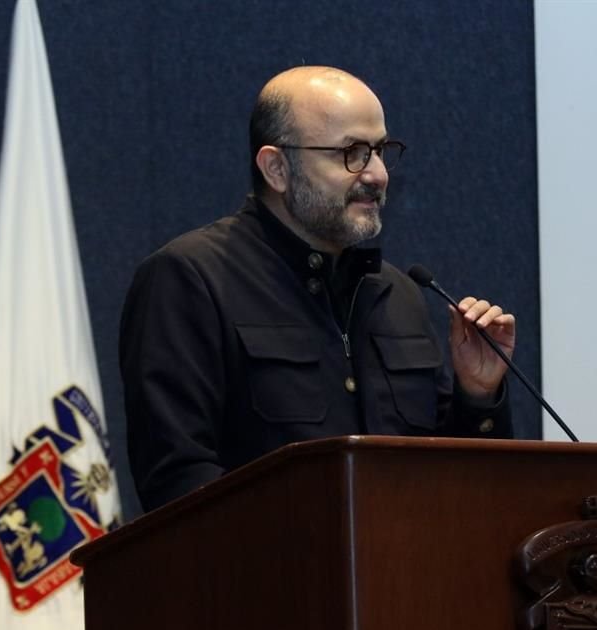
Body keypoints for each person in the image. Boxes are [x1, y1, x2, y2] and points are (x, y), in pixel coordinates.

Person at [120, 66, 515, 511]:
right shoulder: (191, 279)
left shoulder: (399, 294)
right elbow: (178, 481)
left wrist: (477, 394)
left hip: (404, 574)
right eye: (352, 152)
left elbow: (454, 483)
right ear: (277, 168)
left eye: (381, 150)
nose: (378, 174)